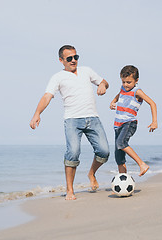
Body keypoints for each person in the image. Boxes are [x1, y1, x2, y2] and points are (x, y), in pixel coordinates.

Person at [30, 45, 110, 200]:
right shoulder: (57, 77)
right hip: (72, 120)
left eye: (76, 57)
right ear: (61, 60)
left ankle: (91, 173)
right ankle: (70, 190)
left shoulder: (87, 71)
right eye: (69, 58)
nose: (73, 60)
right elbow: (47, 96)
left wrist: (102, 85)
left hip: (93, 118)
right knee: (73, 153)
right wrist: (37, 113)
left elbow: (105, 82)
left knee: (104, 152)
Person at [109, 65, 157, 176]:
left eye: (129, 82)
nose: (125, 85)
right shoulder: (123, 89)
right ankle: (123, 179)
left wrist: (154, 121)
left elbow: (152, 103)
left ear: (136, 81)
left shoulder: (137, 91)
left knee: (121, 143)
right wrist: (113, 101)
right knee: (118, 156)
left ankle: (142, 164)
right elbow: (119, 94)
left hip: (129, 123)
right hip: (117, 125)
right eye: (123, 82)